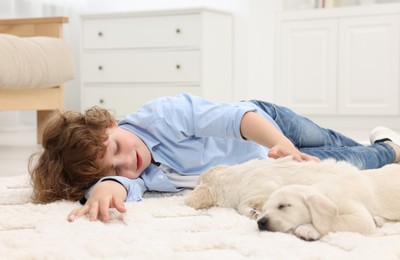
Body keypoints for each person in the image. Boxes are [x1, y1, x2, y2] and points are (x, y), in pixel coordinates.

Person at [28, 93, 400, 222]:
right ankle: (387, 147)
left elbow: (235, 118)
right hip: (264, 167)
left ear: (111, 122)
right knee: (345, 164)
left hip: (266, 124)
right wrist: (106, 187)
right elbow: (125, 184)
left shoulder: (162, 116)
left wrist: (282, 144)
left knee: (325, 139)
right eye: (111, 169)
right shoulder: (129, 172)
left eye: (116, 150)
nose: (127, 163)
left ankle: (377, 146)